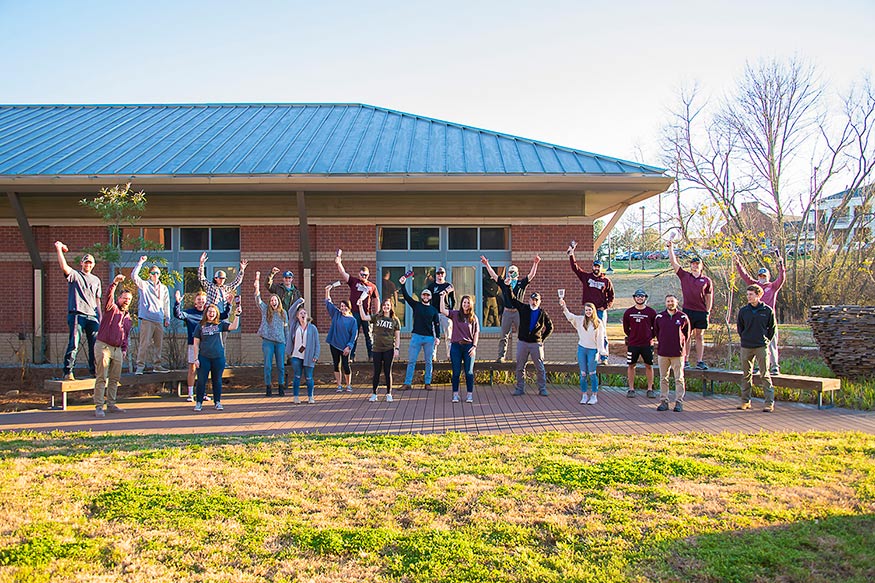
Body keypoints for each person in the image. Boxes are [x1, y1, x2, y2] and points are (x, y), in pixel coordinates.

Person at [496, 279, 554, 397]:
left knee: (540, 367)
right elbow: (512, 299)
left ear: (539, 301)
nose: (534, 302)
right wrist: (508, 287)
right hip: (523, 342)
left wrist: (542, 338)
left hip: (536, 344)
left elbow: (550, 327)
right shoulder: (523, 309)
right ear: (529, 300)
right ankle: (520, 388)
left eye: (536, 300)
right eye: (532, 299)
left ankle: (542, 388)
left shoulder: (542, 313)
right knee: (520, 366)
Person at [55, 241, 101, 381]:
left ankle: (95, 370)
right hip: (77, 314)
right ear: (82, 263)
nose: (88, 265)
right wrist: (59, 249)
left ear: (93, 265)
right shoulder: (75, 276)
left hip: (92, 316)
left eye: (90, 263)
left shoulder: (96, 280)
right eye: (86, 262)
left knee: (95, 345)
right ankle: (68, 371)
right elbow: (64, 266)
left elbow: (98, 300)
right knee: (74, 343)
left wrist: (101, 317)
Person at [481, 255, 541, 362]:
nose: (511, 274)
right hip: (507, 312)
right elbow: (494, 276)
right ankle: (501, 356)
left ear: (517, 273)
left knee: (522, 335)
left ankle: (523, 356)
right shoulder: (504, 284)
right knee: (504, 335)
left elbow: (531, 275)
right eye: (510, 272)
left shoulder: (520, 284)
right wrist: (487, 264)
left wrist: (535, 263)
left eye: (513, 272)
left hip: (518, 312)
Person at [734, 254, 786, 375]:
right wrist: (738, 264)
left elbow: (782, 278)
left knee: (772, 343)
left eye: (764, 276)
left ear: (768, 277)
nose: (762, 278)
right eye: (760, 276)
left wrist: (781, 265)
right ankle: (758, 366)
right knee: (757, 344)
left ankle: (774, 366)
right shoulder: (755, 286)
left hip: (768, 319)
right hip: (756, 320)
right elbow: (745, 276)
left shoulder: (773, 286)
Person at [174, 290, 227, 402]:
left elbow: (223, 315)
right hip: (193, 344)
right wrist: (177, 302)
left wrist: (230, 304)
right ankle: (190, 394)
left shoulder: (209, 314)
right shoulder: (189, 313)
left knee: (205, 370)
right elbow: (178, 314)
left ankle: (202, 393)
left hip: (207, 347)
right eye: (199, 300)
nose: (201, 302)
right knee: (192, 368)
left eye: (203, 300)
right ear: (195, 301)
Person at [667, 240, 712, 370]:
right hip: (688, 310)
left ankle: (699, 361)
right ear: (690, 266)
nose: (695, 266)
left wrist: (707, 311)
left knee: (699, 336)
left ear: (701, 266)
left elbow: (709, 297)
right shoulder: (685, 276)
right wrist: (671, 248)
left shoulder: (706, 280)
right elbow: (674, 263)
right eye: (693, 264)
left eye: (697, 264)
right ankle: (685, 360)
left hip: (701, 311)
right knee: (687, 336)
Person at [93, 274, 133, 418]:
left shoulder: (128, 318)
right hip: (104, 346)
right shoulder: (111, 309)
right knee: (102, 376)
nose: (126, 301)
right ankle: (98, 406)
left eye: (129, 299)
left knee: (115, 378)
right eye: (124, 298)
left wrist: (124, 349)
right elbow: (108, 296)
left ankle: (111, 404)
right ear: (119, 299)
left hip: (117, 349)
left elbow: (125, 335)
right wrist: (114, 283)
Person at [192, 301, 242, 412]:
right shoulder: (200, 326)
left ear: (217, 313)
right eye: (209, 311)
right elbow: (196, 343)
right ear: (206, 313)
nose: (211, 314)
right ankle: (199, 402)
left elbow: (233, 326)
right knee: (201, 380)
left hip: (218, 357)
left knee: (217, 380)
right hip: (204, 357)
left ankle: (217, 402)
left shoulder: (220, 324)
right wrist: (195, 358)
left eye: (213, 312)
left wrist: (237, 315)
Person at [737, 284, 777, 412]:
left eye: (751, 294)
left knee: (764, 374)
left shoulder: (767, 311)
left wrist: (765, 340)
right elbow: (740, 328)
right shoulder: (743, 311)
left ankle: (769, 403)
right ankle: (745, 401)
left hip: (761, 346)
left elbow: (772, 328)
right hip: (746, 346)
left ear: (758, 295)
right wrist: (744, 338)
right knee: (746, 375)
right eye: (747, 294)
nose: (749, 297)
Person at [568, 243, 613, 357]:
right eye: (595, 266)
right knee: (587, 331)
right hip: (588, 311)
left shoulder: (606, 281)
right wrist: (571, 254)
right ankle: (592, 355)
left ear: (601, 268)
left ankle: (603, 356)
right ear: (592, 267)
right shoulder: (587, 277)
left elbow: (611, 296)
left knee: (602, 333)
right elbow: (575, 268)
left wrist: (606, 306)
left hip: (599, 311)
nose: (596, 268)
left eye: (598, 266)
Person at [398, 274, 441, 390]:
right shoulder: (416, 305)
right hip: (416, 336)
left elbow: (437, 325)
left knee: (429, 362)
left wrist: (438, 337)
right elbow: (406, 297)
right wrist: (402, 285)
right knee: (411, 361)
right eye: (424, 294)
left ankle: (427, 383)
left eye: (428, 295)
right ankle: (407, 383)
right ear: (421, 296)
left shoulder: (433, 310)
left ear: (430, 297)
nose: (426, 296)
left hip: (429, 338)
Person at [334, 249, 379, 361]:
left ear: (368, 275)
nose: (364, 276)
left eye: (366, 275)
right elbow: (343, 273)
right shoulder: (354, 281)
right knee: (354, 334)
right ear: (359, 274)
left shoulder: (372, 286)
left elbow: (376, 298)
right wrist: (339, 262)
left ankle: (371, 356)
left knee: (369, 335)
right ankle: (351, 356)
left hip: (366, 313)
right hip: (354, 312)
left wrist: (377, 313)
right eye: (362, 274)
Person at [560, 300, 607, 405]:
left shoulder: (598, 323)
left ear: (593, 311)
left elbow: (600, 339)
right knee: (583, 374)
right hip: (582, 349)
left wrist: (601, 351)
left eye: (590, 310)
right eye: (586, 310)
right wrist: (564, 306)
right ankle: (584, 395)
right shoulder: (580, 320)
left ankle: (594, 395)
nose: (588, 312)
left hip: (592, 350)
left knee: (592, 373)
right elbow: (570, 316)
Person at [131, 256, 171, 374]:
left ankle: (157, 365)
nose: (155, 275)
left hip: (158, 319)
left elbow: (166, 303)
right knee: (144, 344)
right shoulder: (144, 285)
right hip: (147, 319)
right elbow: (134, 276)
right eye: (153, 273)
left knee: (158, 344)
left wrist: (167, 317)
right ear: (149, 274)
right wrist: (140, 262)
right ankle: (140, 366)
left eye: (157, 273)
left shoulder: (163, 288)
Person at [440, 292, 480, 403]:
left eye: (468, 303)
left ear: (471, 304)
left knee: (469, 372)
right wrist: (443, 297)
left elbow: (476, 332)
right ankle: (455, 395)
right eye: (464, 302)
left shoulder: (473, 317)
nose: (466, 304)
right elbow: (443, 310)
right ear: (461, 303)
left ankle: (469, 395)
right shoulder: (455, 314)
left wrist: (474, 346)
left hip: (469, 347)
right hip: (456, 346)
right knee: (456, 372)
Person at [654, 294, 691, 412]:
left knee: (679, 378)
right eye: (668, 301)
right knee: (663, 378)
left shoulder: (683, 317)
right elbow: (656, 332)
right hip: (663, 352)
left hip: (678, 353)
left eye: (672, 301)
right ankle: (664, 401)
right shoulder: (659, 317)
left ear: (677, 302)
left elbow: (687, 334)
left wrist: (680, 344)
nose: (670, 303)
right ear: (665, 303)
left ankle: (679, 402)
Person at [359, 297, 400, 402]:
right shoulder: (377, 317)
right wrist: (360, 305)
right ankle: (374, 393)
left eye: (388, 305)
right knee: (376, 371)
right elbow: (364, 317)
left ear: (391, 307)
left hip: (389, 348)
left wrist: (397, 349)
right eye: (384, 305)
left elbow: (397, 336)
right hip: (377, 349)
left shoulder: (395, 320)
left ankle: (389, 393)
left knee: (387, 371)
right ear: (382, 306)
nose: (386, 307)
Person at [254, 271, 288, 397]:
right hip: (268, 341)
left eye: (275, 300)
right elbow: (257, 299)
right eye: (272, 300)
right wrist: (257, 283)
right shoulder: (265, 310)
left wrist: (287, 343)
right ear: (270, 302)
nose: (274, 302)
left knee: (281, 366)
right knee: (268, 366)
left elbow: (286, 329)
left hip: (280, 342)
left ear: (278, 301)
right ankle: (268, 387)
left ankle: (281, 387)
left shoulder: (283, 313)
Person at [622, 289, 658, 398]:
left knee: (649, 365)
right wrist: (633, 336)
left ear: (645, 298)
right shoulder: (628, 312)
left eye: (642, 296)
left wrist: (649, 337)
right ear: (634, 298)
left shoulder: (651, 312)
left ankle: (650, 389)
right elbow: (626, 328)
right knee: (631, 365)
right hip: (633, 344)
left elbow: (655, 328)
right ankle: (631, 389)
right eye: (637, 296)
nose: (640, 298)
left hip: (647, 344)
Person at [325, 283, 358, 392]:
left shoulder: (352, 320)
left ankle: (348, 384)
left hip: (345, 347)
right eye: (341, 306)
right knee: (336, 364)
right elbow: (328, 303)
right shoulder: (336, 314)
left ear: (349, 308)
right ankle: (339, 385)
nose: (342, 308)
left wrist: (349, 347)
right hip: (334, 344)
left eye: (345, 307)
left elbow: (354, 335)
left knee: (345, 365)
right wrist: (327, 291)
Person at [286, 299, 320, 404]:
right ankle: (296, 397)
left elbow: (317, 343)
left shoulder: (312, 328)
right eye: (301, 313)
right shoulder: (294, 325)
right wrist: (298, 302)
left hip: (309, 356)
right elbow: (290, 311)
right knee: (297, 376)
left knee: (309, 377)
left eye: (304, 313)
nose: (303, 315)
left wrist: (316, 355)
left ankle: (310, 396)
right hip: (297, 355)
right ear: (297, 316)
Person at [427, 267, 455, 360]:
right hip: (434, 314)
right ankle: (433, 355)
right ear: (436, 275)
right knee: (434, 335)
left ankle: (450, 355)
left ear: (445, 274)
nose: (440, 275)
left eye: (442, 273)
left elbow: (453, 300)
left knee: (449, 335)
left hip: (445, 313)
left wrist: (451, 312)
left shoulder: (448, 286)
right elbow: (428, 300)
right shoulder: (431, 286)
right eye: (438, 273)